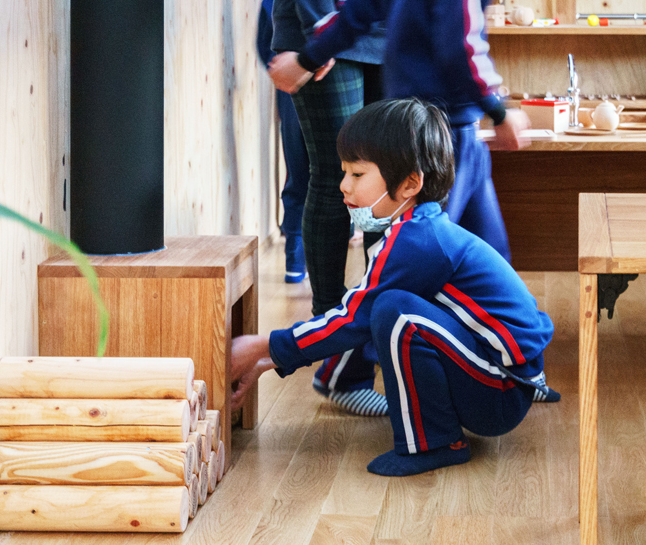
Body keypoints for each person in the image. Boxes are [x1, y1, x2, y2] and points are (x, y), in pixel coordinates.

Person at [231, 100, 557, 477]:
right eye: (344, 172)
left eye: (356, 174)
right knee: (382, 304)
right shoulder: (419, 228)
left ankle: (435, 442)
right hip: (508, 380)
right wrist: (270, 357)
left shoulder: (415, 241)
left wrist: (264, 347)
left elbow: (356, 318)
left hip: (498, 395)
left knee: (393, 311)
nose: (343, 185)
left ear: (409, 184)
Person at [267, 0, 562, 404]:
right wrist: (498, 109)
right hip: (434, 133)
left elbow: (359, 12)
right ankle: (345, 374)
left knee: (494, 253)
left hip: (461, 130)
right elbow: (459, 47)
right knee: (407, 264)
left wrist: (309, 54)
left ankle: (523, 366)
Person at [272, 0, 392, 415]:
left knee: (387, 187)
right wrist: (320, 34)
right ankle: (334, 350)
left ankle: (377, 345)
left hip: (386, 30)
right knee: (334, 178)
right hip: (322, 26)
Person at [257, 0, 310, 283]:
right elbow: (265, 40)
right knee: (305, 170)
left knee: (300, 170)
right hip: (296, 74)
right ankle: (295, 258)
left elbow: (264, 41)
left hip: (296, 73)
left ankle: (296, 258)